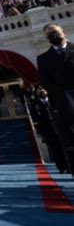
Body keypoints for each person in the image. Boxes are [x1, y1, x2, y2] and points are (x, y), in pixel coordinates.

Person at [37, 23, 74, 175]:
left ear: (63, 32)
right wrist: (63, 96)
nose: (53, 35)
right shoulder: (44, 59)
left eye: (55, 31)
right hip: (64, 105)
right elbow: (46, 82)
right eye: (49, 34)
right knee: (71, 145)